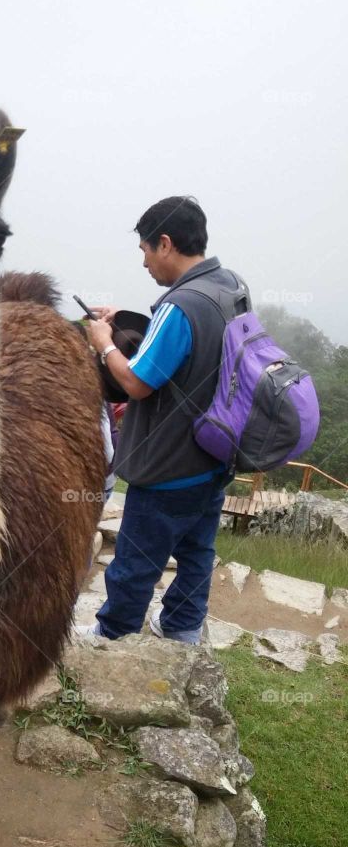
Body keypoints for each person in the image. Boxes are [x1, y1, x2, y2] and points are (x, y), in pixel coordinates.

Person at [83, 196, 247, 644]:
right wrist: (130, 323)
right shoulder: (229, 285)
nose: (144, 263)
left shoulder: (181, 305)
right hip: (214, 453)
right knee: (197, 550)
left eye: (145, 251)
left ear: (166, 244)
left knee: (136, 559)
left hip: (168, 465)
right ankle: (182, 628)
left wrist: (103, 343)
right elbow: (193, 348)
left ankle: (111, 637)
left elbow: (137, 384)